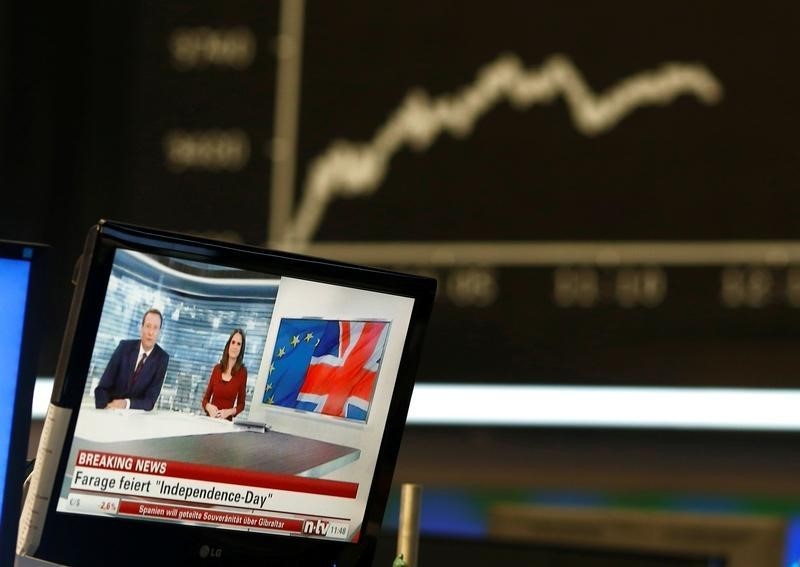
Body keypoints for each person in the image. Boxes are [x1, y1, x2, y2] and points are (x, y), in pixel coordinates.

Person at [94, 308, 170, 411]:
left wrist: (126, 404)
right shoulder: (124, 348)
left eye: (155, 328)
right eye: (148, 326)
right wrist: (106, 408)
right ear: (141, 328)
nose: (150, 332)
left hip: (136, 418)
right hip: (110, 411)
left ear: (159, 333)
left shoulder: (162, 359)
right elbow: (102, 388)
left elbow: (149, 402)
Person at [201, 328, 247, 420]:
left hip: (226, 424)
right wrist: (209, 407)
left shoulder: (242, 372)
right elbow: (205, 400)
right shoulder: (217, 369)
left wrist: (228, 412)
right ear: (228, 345)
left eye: (239, 344)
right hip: (210, 421)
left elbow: (241, 405)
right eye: (233, 342)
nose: (235, 347)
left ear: (241, 349)